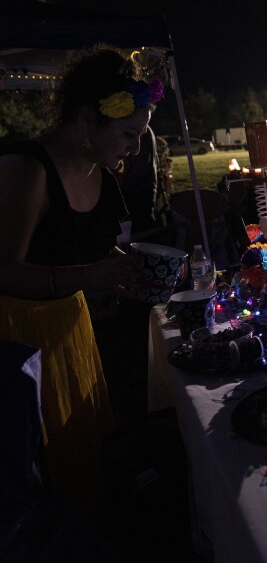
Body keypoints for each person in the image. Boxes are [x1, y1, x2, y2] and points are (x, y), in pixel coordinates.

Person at [0, 45, 162, 523]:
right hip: (17, 341)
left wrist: (128, 269)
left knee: (83, 453)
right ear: (89, 120)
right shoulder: (25, 170)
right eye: (129, 134)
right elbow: (3, 269)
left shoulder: (100, 177)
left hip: (71, 327)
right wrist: (90, 276)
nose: (134, 148)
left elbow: (84, 250)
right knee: (36, 465)